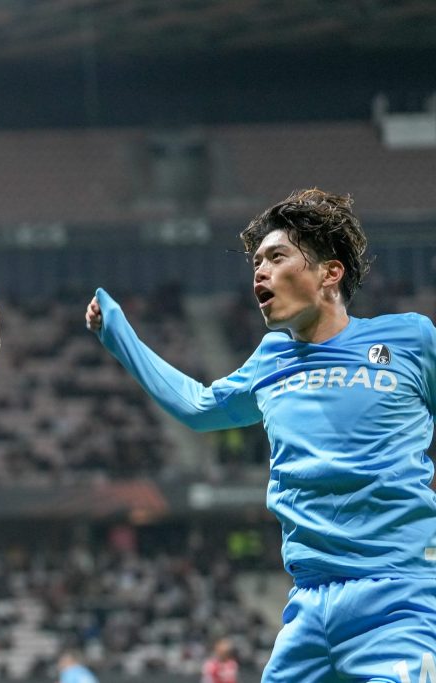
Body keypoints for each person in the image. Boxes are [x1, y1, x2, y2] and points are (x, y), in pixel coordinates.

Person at [85, 189, 436, 683]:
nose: (260, 273)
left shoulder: (410, 338)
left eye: (277, 257)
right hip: (309, 611)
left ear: (330, 273)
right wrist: (119, 334)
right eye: (256, 263)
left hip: (399, 599)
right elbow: (198, 407)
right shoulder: (270, 360)